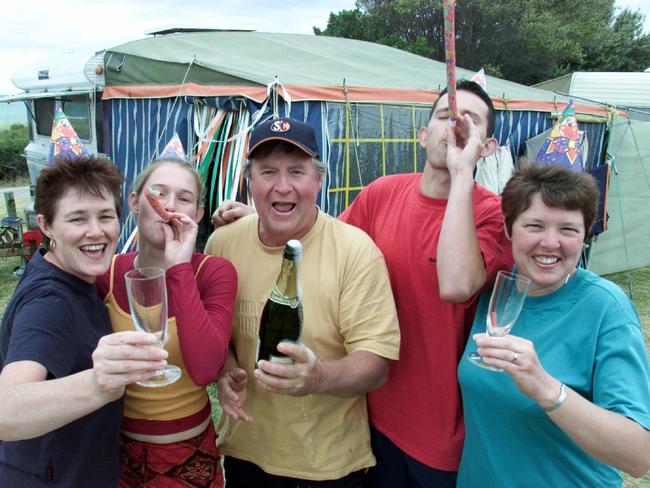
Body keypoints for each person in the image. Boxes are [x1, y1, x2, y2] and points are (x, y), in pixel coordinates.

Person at [210, 82, 513, 486]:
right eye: (445, 116)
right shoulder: (382, 193)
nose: (455, 126)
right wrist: (258, 215)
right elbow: (318, 237)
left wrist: (462, 173)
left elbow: (456, 285)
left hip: (438, 431)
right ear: (422, 135)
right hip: (370, 418)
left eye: (469, 121)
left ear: (488, 146)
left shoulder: (492, 215)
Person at [205, 117, 400, 487]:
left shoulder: (355, 252)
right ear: (249, 181)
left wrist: (318, 376)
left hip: (327, 465)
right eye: (268, 172)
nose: (283, 187)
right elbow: (218, 334)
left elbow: (376, 365)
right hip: (245, 454)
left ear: (319, 180)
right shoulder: (222, 245)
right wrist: (226, 366)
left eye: (297, 171)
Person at [458, 164, 650, 487]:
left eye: (568, 230)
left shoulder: (606, 309)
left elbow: (638, 455)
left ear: (585, 236)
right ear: (508, 229)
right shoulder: (493, 292)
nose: (550, 242)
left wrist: (547, 389)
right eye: (534, 225)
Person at [0, 156, 166, 487]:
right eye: (77, 219)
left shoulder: (71, 275)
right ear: (46, 226)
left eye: (106, 216)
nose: (96, 231)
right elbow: (6, 410)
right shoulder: (50, 302)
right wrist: (99, 383)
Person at [96, 158, 237, 487]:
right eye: (158, 194)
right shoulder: (107, 273)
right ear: (134, 203)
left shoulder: (214, 272)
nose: (169, 207)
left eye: (184, 198)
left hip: (191, 454)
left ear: (198, 215)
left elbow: (205, 370)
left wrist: (178, 267)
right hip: (119, 454)